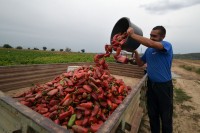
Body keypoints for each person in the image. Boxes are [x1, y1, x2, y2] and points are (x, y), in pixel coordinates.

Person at [127, 26, 173, 133]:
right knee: (153, 114)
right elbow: (140, 64)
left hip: (164, 87)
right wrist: (136, 54)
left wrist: (133, 35)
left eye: (154, 36)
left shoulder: (166, 45)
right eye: (150, 35)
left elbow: (151, 43)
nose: (151, 38)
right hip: (151, 86)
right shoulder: (148, 50)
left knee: (166, 117)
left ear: (163, 36)